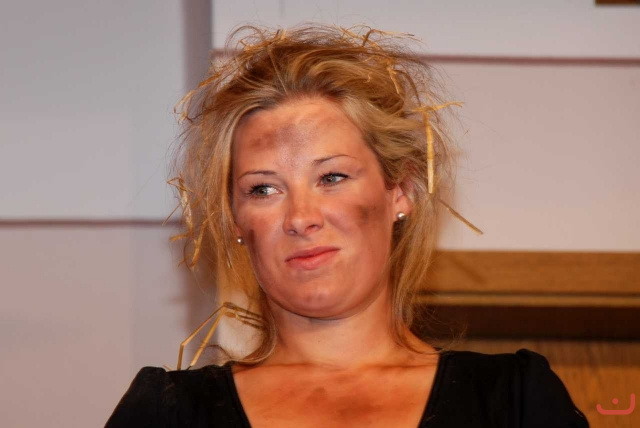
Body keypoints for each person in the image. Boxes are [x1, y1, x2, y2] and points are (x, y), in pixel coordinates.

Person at [106, 24, 589, 427]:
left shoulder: (513, 402)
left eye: (332, 177)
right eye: (264, 189)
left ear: (400, 191)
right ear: (236, 219)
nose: (301, 218)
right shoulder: (167, 412)